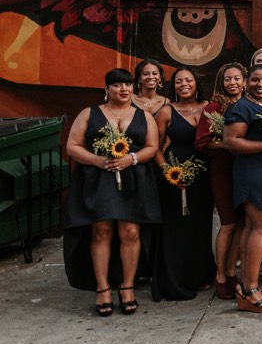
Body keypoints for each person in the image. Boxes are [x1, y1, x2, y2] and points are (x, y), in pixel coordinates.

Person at [63, 68, 161, 316]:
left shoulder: (144, 116)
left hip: (134, 180)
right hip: (98, 180)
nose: (124, 89)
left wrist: (132, 158)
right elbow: (72, 146)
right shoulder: (89, 113)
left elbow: (152, 147)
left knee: (130, 231)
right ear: (106, 89)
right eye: (117, 85)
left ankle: (127, 286)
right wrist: (96, 161)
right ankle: (103, 288)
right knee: (101, 231)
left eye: (128, 85)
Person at [223, 64, 262, 312]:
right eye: (255, 80)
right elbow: (231, 142)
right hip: (255, 172)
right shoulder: (242, 107)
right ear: (246, 82)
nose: (260, 85)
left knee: (254, 227)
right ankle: (250, 288)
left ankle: (246, 285)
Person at [151, 67, 215, 301]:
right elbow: (156, 146)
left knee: (200, 226)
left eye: (188, 80)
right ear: (173, 86)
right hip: (174, 173)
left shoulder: (210, 107)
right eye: (179, 82)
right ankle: (176, 280)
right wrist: (168, 172)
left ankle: (199, 275)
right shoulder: (166, 111)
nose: (184, 84)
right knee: (176, 228)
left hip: (204, 175)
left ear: (196, 83)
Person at [195, 62, 246, 300]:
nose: (232, 83)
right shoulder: (214, 107)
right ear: (221, 82)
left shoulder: (250, 104)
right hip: (223, 169)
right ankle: (220, 275)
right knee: (227, 223)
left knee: (242, 223)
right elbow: (202, 142)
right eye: (228, 79)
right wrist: (229, 143)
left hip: (247, 170)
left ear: (244, 81)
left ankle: (231, 270)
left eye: (237, 78)